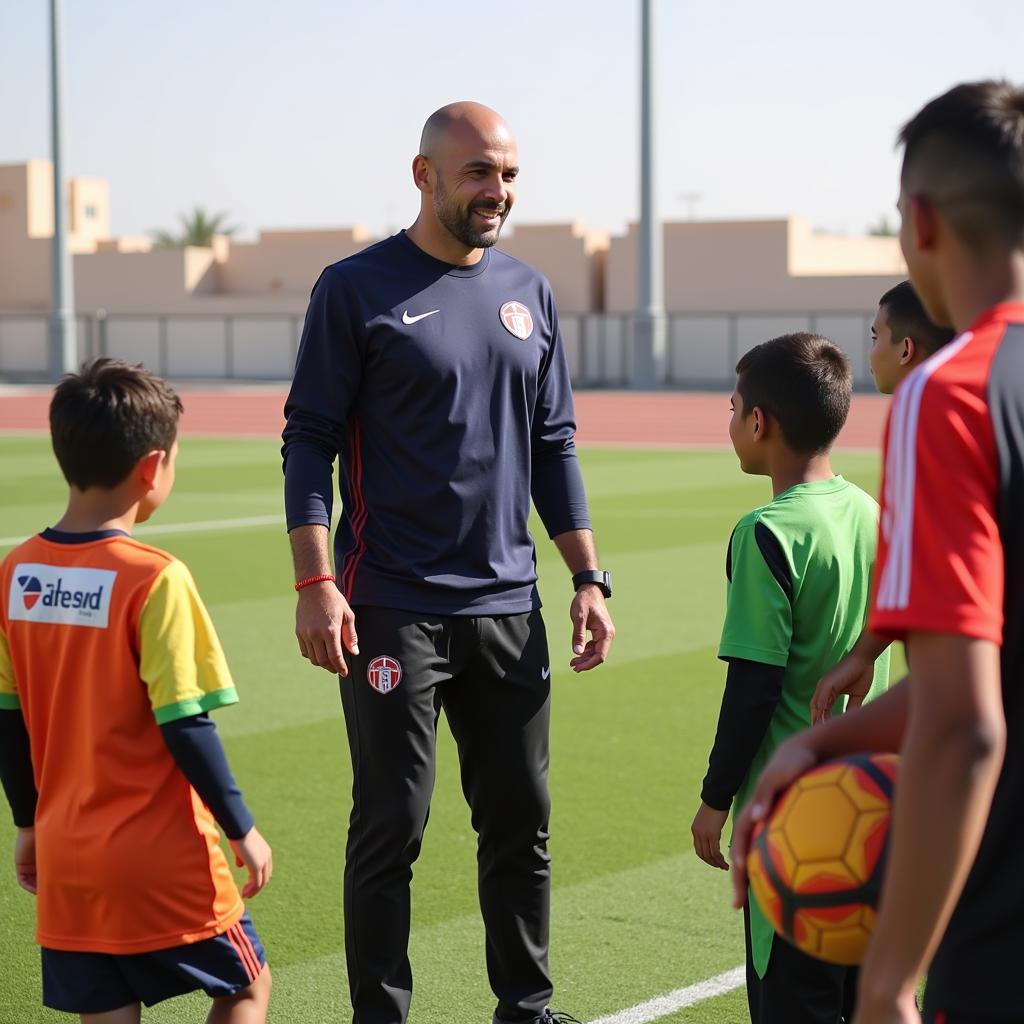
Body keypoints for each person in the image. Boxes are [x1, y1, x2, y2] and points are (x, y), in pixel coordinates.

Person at [281, 101, 614, 1024]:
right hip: (392, 604)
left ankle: (527, 1009)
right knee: (392, 829)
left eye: (507, 173)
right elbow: (308, 441)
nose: (497, 191)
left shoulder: (531, 292)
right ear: (424, 175)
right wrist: (316, 583)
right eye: (478, 173)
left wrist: (587, 577)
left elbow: (554, 445)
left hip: (511, 606)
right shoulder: (354, 288)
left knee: (522, 826)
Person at [730, 80, 1024, 1024]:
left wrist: (891, 981)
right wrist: (828, 739)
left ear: (921, 220)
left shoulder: (955, 395)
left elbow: (965, 719)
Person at [0, 358, 272, 1024]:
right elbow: (185, 722)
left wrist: (29, 826)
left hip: (68, 856)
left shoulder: (16, 572)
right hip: (161, 855)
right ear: (153, 468)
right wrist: (243, 828)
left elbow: (8, 723)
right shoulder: (155, 577)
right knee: (246, 986)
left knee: (109, 1011)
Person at [690, 333, 890, 1024]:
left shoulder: (766, 533)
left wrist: (715, 799)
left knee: (793, 1006)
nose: (731, 423)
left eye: (734, 407)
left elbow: (754, 687)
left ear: (758, 423)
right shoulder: (872, 513)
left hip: (794, 829)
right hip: (875, 809)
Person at [810, 283, 953, 723]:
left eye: (875, 338)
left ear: (906, 348)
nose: (869, 353)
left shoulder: (928, 413)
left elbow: (921, 565)